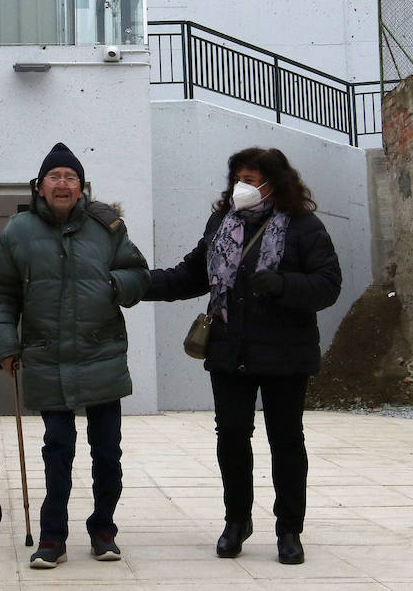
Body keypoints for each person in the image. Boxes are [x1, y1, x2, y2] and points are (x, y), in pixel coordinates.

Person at [145, 147, 341, 564]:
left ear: (275, 183)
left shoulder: (304, 227)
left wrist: (284, 285)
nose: (242, 188)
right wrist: (139, 285)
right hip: (229, 348)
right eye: (238, 179)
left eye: (251, 180)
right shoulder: (222, 223)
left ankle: (289, 529)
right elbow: (192, 274)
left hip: (286, 353)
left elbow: (328, 285)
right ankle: (237, 521)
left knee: (285, 440)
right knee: (232, 438)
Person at [0, 142, 150, 569]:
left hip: (101, 355)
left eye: (69, 177)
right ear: (39, 187)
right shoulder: (18, 230)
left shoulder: (107, 226)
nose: (62, 183)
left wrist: (114, 285)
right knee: (58, 451)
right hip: (46, 356)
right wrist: (4, 344)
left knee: (107, 453)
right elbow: (0, 294)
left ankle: (103, 530)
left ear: (81, 187)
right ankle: (52, 537)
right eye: (53, 177)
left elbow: (138, 273)